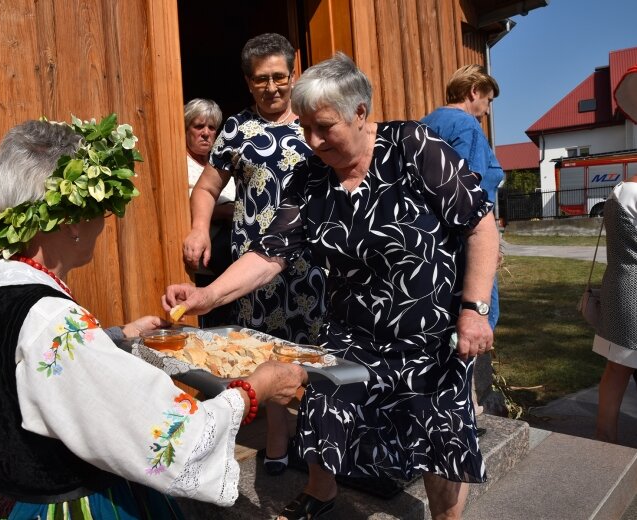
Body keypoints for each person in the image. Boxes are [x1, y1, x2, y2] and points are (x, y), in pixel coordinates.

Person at [164, 53, 499, 520]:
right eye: (304, 127)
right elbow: (268, 254)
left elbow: (480, 224)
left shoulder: (413, 146)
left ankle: (447, 516)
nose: (312, 140)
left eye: (324, 127)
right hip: (353, 329)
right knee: (324, 404)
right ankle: (321, 494)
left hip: (427, 330)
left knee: (436, 438)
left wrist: (475, 308)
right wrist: (207, 295)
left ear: (360, 112)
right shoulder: (311, 177)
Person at [0, 117, 306, 519]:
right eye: (102, 210)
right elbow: (172, 438)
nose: (104, 224)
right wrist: (255, 389)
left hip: (5, 498)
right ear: (72, 222)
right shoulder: (53, 321)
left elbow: (24, 374)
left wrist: (115, 336)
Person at [183, 33, 327, 475]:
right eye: (261, 80)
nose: (272, 87)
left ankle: (322, 442)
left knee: (314, 352)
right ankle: (278, 443)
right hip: (255, 268)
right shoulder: (236, 130)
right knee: (268, 352)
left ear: (293, 71)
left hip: (311, 265)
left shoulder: (315, 121)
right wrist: (198, 229)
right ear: (248, 82)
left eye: (279, 77)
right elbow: (207, 188)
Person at [421, 64, 505, 419]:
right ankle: (460, 407)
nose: (487, 110)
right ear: (473, 91)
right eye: (487, 100)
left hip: (430, 245)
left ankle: (440, 402)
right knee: (470, 323)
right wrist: (487, 243)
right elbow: (466, 195)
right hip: (462, 245)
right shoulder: (467, 126)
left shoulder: (425, 124)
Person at [184, 98, 236, 326]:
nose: (206, 133)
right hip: (207, 262)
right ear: (186, 129)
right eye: (198, 126)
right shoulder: (180, 164)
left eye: (212, 128)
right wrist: (226, 212)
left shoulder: (220, 165)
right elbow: (184, 205)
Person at [593, 176, 637, 444]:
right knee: (619, 367)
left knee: (616, 368)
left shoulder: (621, 190)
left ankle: (604, 437)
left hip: (619, 285)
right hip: (634, 292)